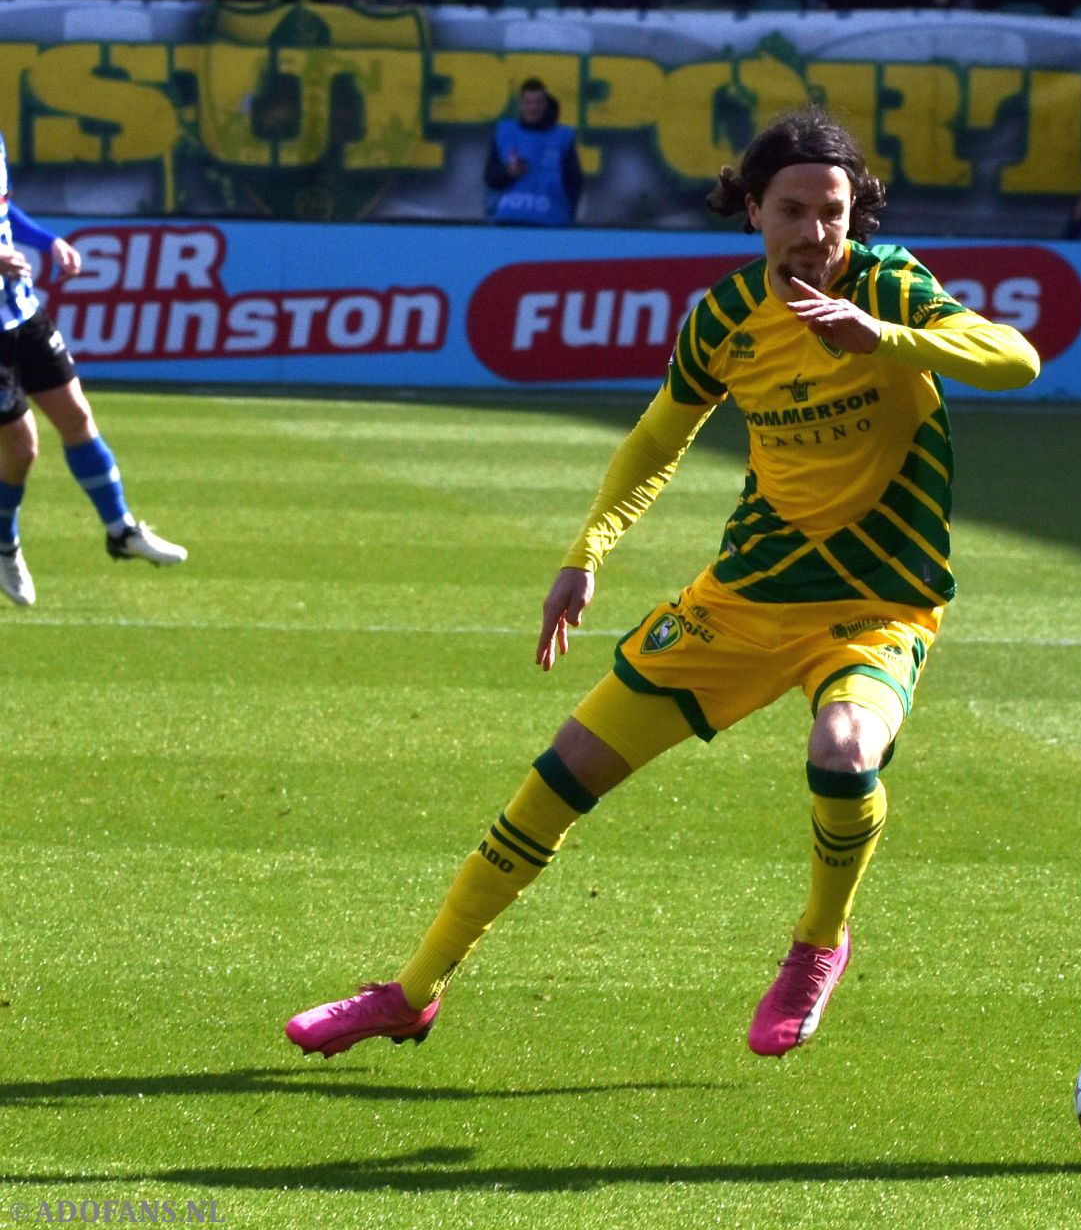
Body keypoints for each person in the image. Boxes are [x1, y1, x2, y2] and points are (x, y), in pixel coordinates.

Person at [286, 105, 1041, 1062]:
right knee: (557, 780)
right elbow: (656, 441)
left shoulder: (891, 288)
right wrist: (585, 552)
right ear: (755, 214)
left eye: (836, 212)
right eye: (794, 211)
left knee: (845, 751)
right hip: (742, 602)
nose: (817, 232)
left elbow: (1017, 358)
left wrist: (882, 338)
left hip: (875, 608)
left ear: (859, 215)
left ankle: (817, 946)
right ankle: (412, 989)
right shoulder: (725, 318)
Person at [0, 134, 187, 607]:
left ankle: (121, 531)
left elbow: (3, 214)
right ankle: (5, 546)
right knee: (21, 449)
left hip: (21, 310)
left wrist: (50, 241)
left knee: (78, 418)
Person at [484, 78, 584, 227]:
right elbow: (490, 177)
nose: (533, 108)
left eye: (538, 102)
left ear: (546, 104)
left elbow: (574, 180)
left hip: (550, 221)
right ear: (520, 104)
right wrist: (509, 173)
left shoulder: (562, 137)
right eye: (528, 102)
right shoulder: (505, 132)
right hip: (510, 219)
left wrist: (568, 213)